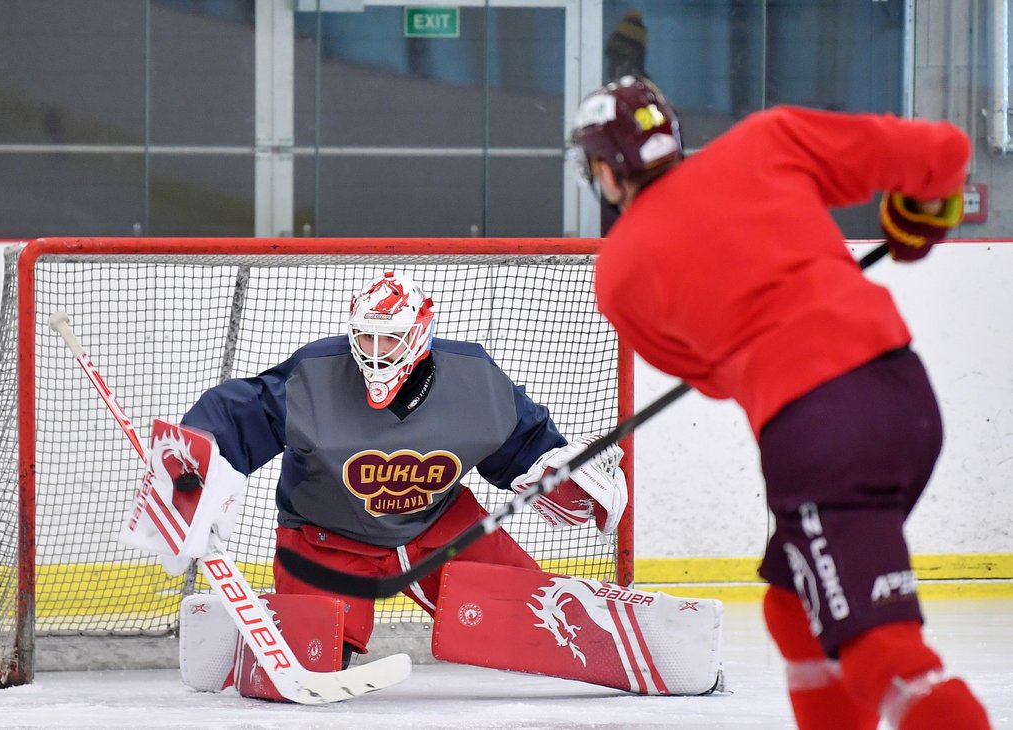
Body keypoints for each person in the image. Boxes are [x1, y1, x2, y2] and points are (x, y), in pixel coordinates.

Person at [567, 75, 990, 729]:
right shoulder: (766, 142)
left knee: (884, 650)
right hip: (907, 399)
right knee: (794, 607)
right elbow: (945, 150)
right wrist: (925, 212)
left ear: (605, 170)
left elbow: (712, 378)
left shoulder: (619, 274)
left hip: (820, 436)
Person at [178, 271, 627, 669]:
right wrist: (195, 467)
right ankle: (244, 634)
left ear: (419, 335)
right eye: (366, 337)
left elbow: (524, 446)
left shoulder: (474, 380)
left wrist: (555, 468)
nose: (375, 352)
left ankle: (624, 647)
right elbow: (241, 414)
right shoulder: (315, 376)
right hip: (328, 540)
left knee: (541, 618)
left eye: (389, 338)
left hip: (441, 532)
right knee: (315, 658)